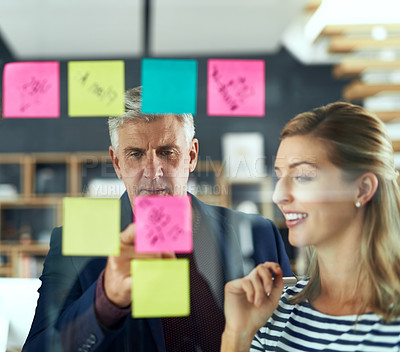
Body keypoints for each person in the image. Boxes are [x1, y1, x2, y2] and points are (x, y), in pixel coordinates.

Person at [22, 86, 292, 352]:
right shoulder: (73, 241)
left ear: (192, 156)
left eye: (167, 152)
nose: (153, 172)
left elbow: (295, 340)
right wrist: (106, 301)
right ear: (117, 163)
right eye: (135, 154)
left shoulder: (259, 234)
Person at [221, 102, 400, 351]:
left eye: (303, 177)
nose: (279, 195)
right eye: (280, 176)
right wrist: (237, 335)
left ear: (363, 189)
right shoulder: (273, 312)